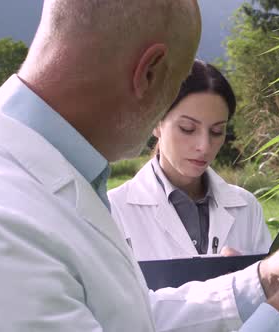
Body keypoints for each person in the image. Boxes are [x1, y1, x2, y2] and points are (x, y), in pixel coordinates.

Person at [0, 0, 279, 331]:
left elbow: (132, 319)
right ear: (148, 72)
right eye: (178, 83)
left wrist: (266, 279)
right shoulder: (8, 220)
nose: (203, 145)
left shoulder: (59, 174)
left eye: (217, 130)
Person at [108, 60, 270, 260]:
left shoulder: (247, 208)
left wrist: (252, 278)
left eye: (217, 131)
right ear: (156, 122)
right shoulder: (113, 210)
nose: (204, 146)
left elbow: (273, 289)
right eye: (187, 128)